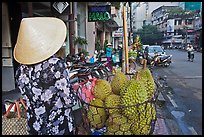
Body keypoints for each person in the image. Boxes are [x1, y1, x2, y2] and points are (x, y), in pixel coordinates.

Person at [13, 17, 78, 135]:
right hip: (58, 126)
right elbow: (69, 101)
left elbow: (27, 97)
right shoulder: (56, 65)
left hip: (35, 126)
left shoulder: (20, 70)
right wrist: (76, 92)